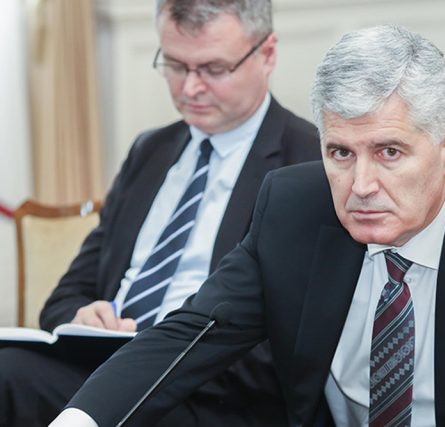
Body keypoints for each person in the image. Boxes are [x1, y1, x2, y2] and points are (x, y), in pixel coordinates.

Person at [51, 24, 445, 427]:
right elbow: (188, 337)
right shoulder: (293, 209)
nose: (360, 185)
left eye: (389, 152)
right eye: (340, 153)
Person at [0, 0, 319, 426]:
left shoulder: (307, 163)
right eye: (175, 65)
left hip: (214, 397)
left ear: (267, 54)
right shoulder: (149, 151)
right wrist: (82, 317)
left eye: (213, 68)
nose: (190, 88)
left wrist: (151, 353)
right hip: (103, 371)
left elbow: (294, 341)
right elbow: (67, 294)